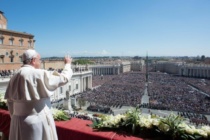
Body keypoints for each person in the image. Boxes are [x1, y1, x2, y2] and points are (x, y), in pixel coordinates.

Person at [4, 49, 73, 140]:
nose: (40, 62)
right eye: (39, 60)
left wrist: (16, 117)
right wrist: (67, 64)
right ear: (33, 60)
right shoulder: (38, 73)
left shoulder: (14, 76)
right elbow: (63, 78)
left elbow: (10, 102)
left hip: (17, 121)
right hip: (36, 122)